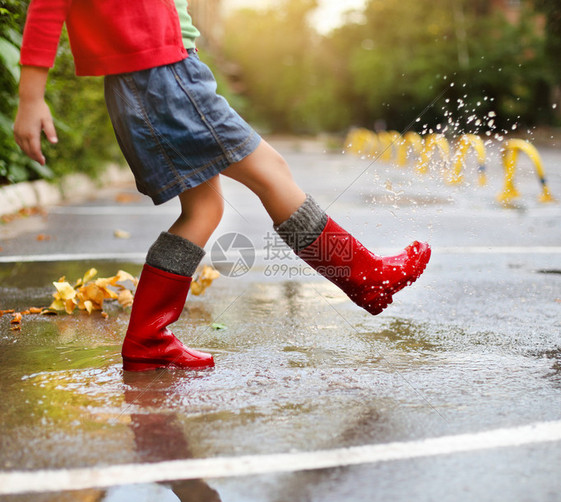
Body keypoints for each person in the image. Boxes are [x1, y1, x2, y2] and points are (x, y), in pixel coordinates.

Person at [14, 0, 431, 372]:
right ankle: (364, 274)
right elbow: (48, 5)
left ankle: (148, 338)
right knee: (271, 171)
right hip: (161, 76)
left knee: (203, 210)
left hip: (161, 73)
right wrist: (31, 96)